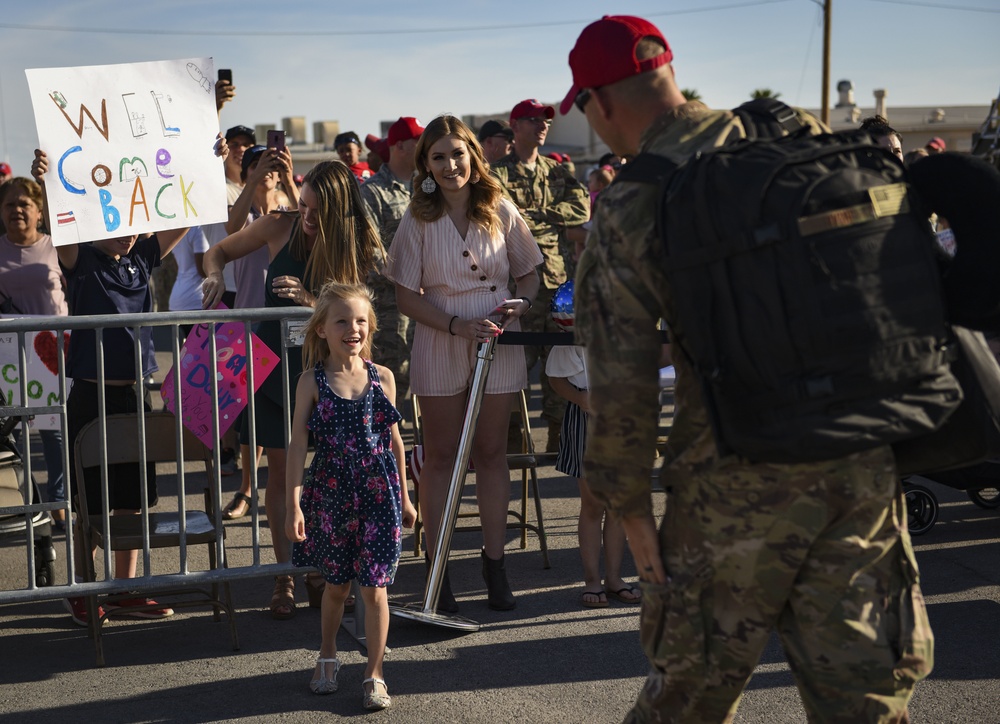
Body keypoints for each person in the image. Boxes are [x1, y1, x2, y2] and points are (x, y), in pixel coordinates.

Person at [563, 14, 932, 722]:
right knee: (868, 702)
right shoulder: (797, 139)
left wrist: (630, 510)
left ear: (601, 102)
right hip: (858, 461)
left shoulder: (635, 200)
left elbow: (624, 379)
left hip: (732, 484)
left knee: (687, 701)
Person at [32, 139, 226, 626]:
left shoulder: (141, 256)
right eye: (114, 223)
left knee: (134, 498)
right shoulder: (79, 258)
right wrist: (47, 180)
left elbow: (186, 211)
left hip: (137, 392)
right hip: (92, 394)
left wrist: (209, 162)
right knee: (88, 500)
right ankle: (83, 588)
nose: (126, 232)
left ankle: (126, 588)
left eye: (132, 223)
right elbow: (61, 223)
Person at [202, 160, 385, 620]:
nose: (305, 216)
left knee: (327, 476)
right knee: (283, 475)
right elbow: (217, 251)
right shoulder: (279, 224)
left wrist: (310, 303)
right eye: (303, 205)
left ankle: (320, 567)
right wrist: (214, 275)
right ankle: (285, 574)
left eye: (317, 211)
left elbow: (357, 310)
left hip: (324, 373)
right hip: (270, 370)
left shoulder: (355, 244)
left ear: (339, 211)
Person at [384, 114, 542, 612]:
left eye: (458, 153)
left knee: (493, 454)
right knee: (442, 458)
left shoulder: (500, 206)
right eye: (439, 156)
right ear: (425, 165)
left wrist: (520, 305)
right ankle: (438, 571)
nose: (451, 165)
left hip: (499, 337)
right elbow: (406, 297)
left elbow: (531, 274)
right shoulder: (416, 218)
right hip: (440, 338)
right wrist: (455, 325)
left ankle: (495, 569)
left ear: (473, 156)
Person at [285, 282, 416, 710]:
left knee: (375, 589)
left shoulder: (383, 378)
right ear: (321, 329)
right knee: (337, 587)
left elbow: (395, 441)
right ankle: (327, 656)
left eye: (361, 320)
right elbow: (297, 448)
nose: (353, 328)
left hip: (380, 497)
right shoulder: (312, 381)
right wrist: (294, 504)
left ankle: (374, 673)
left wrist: (407, 498)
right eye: (342, 320)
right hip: (331, 497)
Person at [492, 98, 590, 451]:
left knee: (561, 359)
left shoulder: (556, 170)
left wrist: (538, 214)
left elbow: (582, 206)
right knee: (516, 363)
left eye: (545, 121)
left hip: (558, 284)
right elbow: (499, 215)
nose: (542, 126)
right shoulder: (497, 173)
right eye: (534, 120)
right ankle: (513, 437)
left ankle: (558, 435)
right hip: (519, 282)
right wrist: (546, 219)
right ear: (515, 126)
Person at [546, 280, 638, 609]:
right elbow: (556, 379)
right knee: (594, 504)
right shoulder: (571, 339)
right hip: (588, 420)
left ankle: (614, 578)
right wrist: (581, 398)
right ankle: (592, 580)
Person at [218, 143, 297, 520]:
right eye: (257, 164)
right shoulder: (245, 209)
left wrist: (288, 176)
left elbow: (306, 224)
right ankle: (247, 488)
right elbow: (231, 230)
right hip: (246, 323)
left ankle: (277, 493)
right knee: (249, 416)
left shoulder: (290, 205)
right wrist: (254, 179)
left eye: (273, 162)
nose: (267, 169)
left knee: (277, 416)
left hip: (283, 326)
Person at [0, 176, 68, 530]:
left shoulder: (59, 248)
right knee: (13, 438)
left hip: (50, 357)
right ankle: (29, 503)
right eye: (10, 204)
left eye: (24, 204)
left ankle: (57, 502)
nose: (17, 211)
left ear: (40, 211)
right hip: (6, 359)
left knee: (53, 435)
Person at [360, 115, 424, 401]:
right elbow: (369, 251)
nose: (425, 146)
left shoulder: (427, 189)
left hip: (431, 305)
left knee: (428, 383)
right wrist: (411, 277)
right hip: (391, 310)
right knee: (388, 387)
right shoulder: (371, 192)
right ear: (399, 146)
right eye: (418, 141)